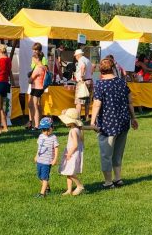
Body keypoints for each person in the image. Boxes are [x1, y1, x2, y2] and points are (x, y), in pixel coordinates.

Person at [90, 58, 138, 189]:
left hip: (107, 124)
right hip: (123, 122)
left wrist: (92, 121)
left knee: (106, 154)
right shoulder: (122, 82)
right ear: (113, 68)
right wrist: (133, 118)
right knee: (118, 152)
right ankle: (118, 178)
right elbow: (130, 102)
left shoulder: (100, 84)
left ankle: (108, 181)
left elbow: (97, 104)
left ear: (101, 70)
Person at [59, 108, 85, 196]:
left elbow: (75, 144)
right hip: (74, 153)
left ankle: (79, 185)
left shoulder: (73, 131)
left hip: (72, 154)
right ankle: (69, 190)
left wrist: (69, 153)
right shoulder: (78, 129)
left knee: (70, 172)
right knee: (68, 172)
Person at [34, 117, 58, 198]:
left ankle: (42, 193)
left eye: (48, 129)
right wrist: (36, 156)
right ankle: (47, 189)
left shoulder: (53, 137)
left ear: (52, 128)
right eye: (44, 130)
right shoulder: (41, 136)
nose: (46, 132)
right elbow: (39, 147)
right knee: (40, 176)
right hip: (40, 160)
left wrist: (55, 159)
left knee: (44, 178)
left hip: (47, 161)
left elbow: (56, 148)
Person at [27, 43, 48, 130]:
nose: (34, 51)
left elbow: (46, 69)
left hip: (37, 85)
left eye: (36, 50)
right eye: (33, 49)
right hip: (35, 84)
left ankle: (37, 123)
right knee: (31, 104)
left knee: (36, 105)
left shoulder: (43, 60)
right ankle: (32, 122)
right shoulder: (36, 62)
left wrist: (37, 70)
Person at [74, 49, 93, 121]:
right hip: (89, 81)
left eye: (75, 56)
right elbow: (92, 69)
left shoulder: (81, 60)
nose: (75, 57)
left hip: (83, 82)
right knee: (87, 102)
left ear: (78, 55)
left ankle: (78, 118)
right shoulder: (87, 60)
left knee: (79, 102)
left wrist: (81, 76)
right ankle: (87, 117)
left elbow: (83, 67)